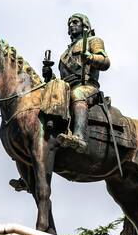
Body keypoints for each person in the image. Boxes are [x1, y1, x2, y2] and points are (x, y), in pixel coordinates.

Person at [43, 12, 110, 154]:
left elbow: (105, 62)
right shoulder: (64, 55)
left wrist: (91, 57)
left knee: (77, 94)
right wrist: (50, 76)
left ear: (84, 25)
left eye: (75, 22)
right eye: (69, 24)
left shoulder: (93, 40)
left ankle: (79, 137)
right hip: (66, 88)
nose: (71, 26)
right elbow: (61, 80)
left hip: (87, 86)